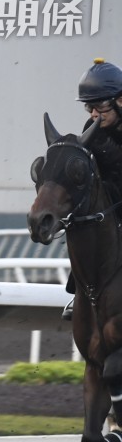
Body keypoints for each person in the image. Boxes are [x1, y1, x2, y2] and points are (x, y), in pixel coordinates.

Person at [62, 58, 122, 320]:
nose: (94, 115)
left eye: (99, 108)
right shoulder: (92, 130)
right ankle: (78, 296)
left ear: (120, 101)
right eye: (90, 109)